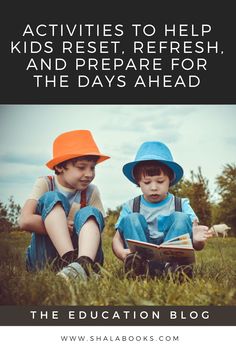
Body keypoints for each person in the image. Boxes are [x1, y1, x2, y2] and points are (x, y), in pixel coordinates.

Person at [19, 130, 110, 281]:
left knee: (90, 212)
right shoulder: (46, 183)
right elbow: (25, 220)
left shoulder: (91, 191)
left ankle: (84, 264)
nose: (89, 174)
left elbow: (99, 224)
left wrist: (79, 226)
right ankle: (70, 261)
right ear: (60, 166)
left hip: (83, 251)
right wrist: (61, 226)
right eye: (82, 167)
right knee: (52, 198)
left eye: (92, 167)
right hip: (45, 259)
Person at [112, 141, 212, 277]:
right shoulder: (131, 206)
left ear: (170, 179)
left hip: (173, 260)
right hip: (141, 258)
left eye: (160, 181)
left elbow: (196, 244)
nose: (153, 187)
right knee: (131, 219)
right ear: (138, 181)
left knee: (181, 218)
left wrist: (198, 241)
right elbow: (117, 239)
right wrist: (121, 253)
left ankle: (175, 269)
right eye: (147, 182)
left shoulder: (181, 204)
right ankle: (138, 267)